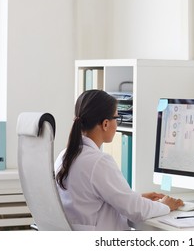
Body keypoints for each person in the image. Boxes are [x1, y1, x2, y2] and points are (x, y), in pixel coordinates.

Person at [54, 89, 183, 230]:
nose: (117, 124)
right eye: (117, 118)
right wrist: (165, 206)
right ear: (105, 124)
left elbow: (91, 199)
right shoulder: (98, 162)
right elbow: (136, 211)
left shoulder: (64, 155)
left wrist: (136, 198)